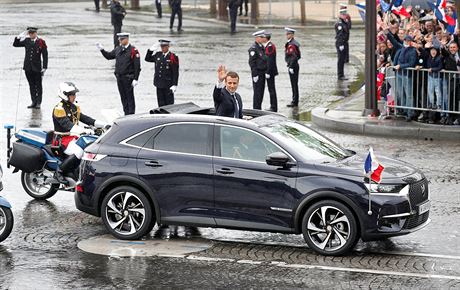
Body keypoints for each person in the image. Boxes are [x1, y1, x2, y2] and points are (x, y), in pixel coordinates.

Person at [52, 82, 107, 184]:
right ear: (65, 95)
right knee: (79, 152)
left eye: (74, 94)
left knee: (89, 146)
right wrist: (84, 130)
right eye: (72, 94)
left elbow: (85, 118)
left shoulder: (73, 106)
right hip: (62, 140)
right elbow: (68, 125)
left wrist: (104, 124)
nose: (74, 96)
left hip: (73, 137)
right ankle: (59, 171)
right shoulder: (59, 109)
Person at [96, 33, 141, 115]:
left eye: (122, 39)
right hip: (119, 77)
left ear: (127, 39)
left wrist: (136, 78)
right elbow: (109, 56)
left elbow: (137, 66)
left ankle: (131, 114)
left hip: (128, 77)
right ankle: (126, 113)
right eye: (119, 39)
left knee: (129, 97)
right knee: (123, 97)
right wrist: (102, 50)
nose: (120, 41)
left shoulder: (133, 50)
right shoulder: (118, 49)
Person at [13, 27, 48, 109]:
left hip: (37, 68)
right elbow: (15, 44)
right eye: (30, 33)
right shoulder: (27, 41)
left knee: (38, 85)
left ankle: (39, 102)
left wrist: (45, 67)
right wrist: (19, 37)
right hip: (28, 67)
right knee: (31, 85)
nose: (31, 35)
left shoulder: (41, 42)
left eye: (33, 33)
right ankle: (33, 102)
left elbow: (45, 55)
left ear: (36, 33)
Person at [145, 39, 179, 107]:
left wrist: (175, 84)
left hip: (168, 85)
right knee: (160, 104)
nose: (163, 48)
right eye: (161, 46)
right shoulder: (158, 55)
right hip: (159, 84)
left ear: (168, 46)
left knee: (169, 105)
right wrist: (150, 50)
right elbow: (147, 59)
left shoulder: (173, 57)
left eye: (164, 46)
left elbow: (175, 72)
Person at [394, 35, 417, 121]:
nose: (407, 42)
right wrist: (394, 65)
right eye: (406, 40)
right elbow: (396, 59)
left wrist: (400, 66)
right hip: (399, 74)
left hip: (407, 75)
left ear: (411, 42)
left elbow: (412, 63)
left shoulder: (413, 51)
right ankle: (404, 110)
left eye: (408, 40)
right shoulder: (400, 48)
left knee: (409, 95)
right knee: (401, 93)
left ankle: (410, 113)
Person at [248, 30, 268, 110]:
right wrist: (255, 74)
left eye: (263, 37)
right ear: (257, 38)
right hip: (257, 73)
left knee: (261, 92)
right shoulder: (253, 48)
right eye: (261, 37)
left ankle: (259, 108)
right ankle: (256, 109)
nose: (263, 38)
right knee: (257, 93)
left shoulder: (261, 47)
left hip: (262, 72)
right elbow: (252, 63)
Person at [285, 27, 301, 107]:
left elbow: (294, 56)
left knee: (294, 84)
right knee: (294, 84)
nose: (287, 35)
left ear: (292, 35)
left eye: (289, 34)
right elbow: (298, 56)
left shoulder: (292, 44)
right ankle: (295, 100)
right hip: (295, 65)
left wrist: (291, 66)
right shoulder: (294, 43)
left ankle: (294, 101)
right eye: (287, 34)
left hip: (293, 66)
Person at [264, 32, 278, 112]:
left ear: (266, 38)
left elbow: (270, 60)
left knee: (271, 89)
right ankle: (273, 106)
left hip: (270, 72)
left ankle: (273, 107)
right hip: (270, 71)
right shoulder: (268, 46)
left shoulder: (270, 46)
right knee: (271, 89)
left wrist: (268, 72)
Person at [335, 11, 349, 80]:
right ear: (340, 15)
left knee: (343, 59)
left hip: (344, 42)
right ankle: (340, 75)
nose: (345, 16)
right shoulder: (339, 23)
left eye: (345, 14)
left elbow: (348, 28)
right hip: (341, 43)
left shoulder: (344, 22)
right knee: (340, 60)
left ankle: (342, 74)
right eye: (343, 15)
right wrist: (340, 44)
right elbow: (340, 35)